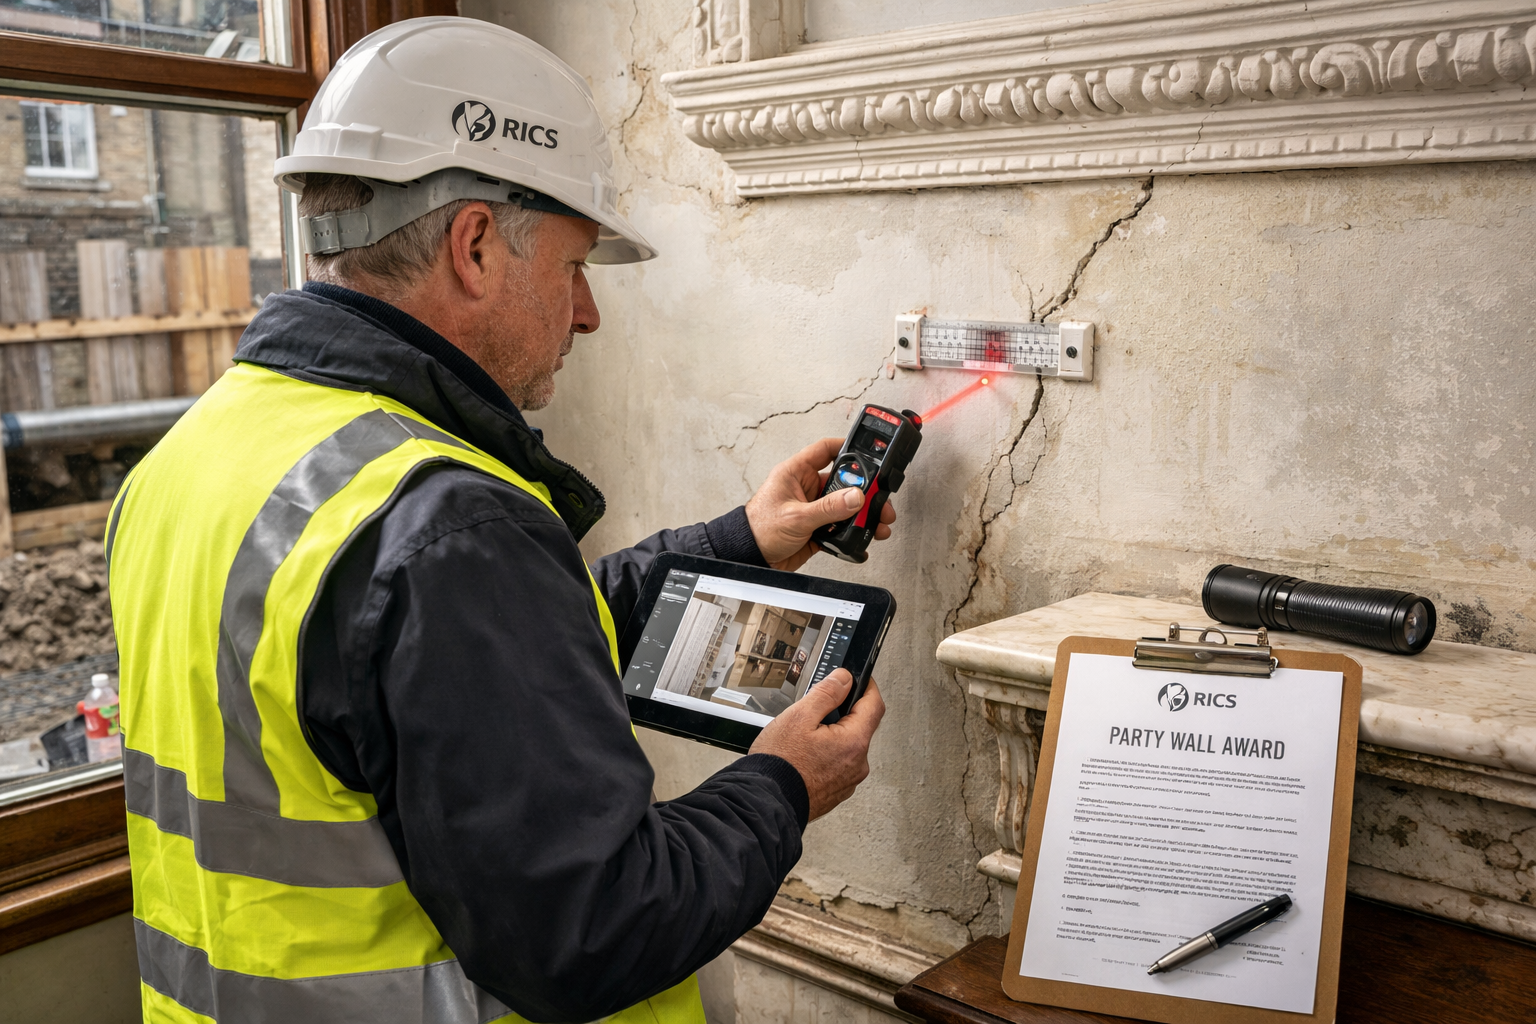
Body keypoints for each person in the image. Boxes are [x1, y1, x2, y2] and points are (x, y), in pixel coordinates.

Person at [108, 17, 891, 1024]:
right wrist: (781, 787)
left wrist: (735, 542)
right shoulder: (445, 525)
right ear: (476, 245)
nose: (587, 314)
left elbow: (454, 676)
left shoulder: (196, 456)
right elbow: (595, 929)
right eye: (573, 268)